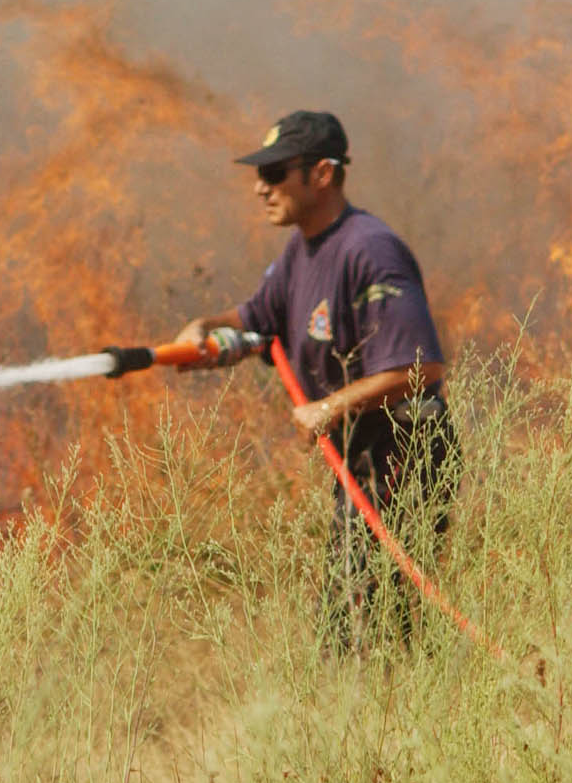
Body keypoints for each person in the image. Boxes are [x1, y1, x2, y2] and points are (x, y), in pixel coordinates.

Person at [176, 110, 456, 645]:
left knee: (367, 620)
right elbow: (257, 321)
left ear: (322, 174)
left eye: (277, 173)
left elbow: (421, 369)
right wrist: (206, 331)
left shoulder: (369, 249)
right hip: (361, 455)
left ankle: (391, 719)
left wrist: (329, 408)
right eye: (261, 175)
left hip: (404, 448)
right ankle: (376, 714)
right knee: (350, 617)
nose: (261, 188)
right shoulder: (300, 253)